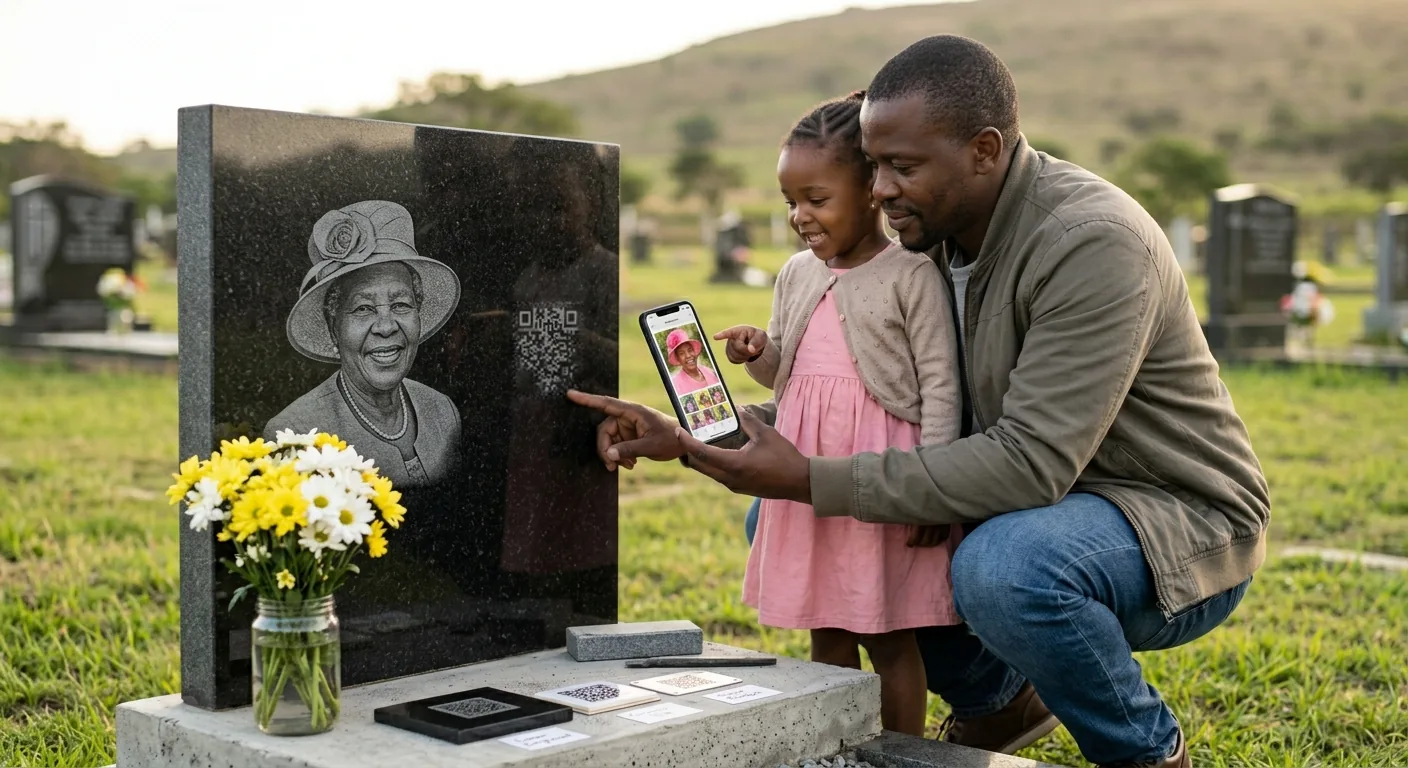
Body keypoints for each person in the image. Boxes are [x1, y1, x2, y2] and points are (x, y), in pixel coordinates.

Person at [568, 35, 1269, 768]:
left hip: (1166, 521)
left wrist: (812, 479)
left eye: (903, 168)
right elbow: (866, 408)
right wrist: (688, 435)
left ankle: (1146, 754)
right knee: (795, 519)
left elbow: (1030, 465)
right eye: (873, 167)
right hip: (1025, 499)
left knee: (1001, 567)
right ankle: (999, 707)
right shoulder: (922, 241)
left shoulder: (1091, 243)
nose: (878, 192)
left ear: (985, 150)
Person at [711, 91, 963, 736]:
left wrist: (932, 491)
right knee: (826, 626)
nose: (800, 216)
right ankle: (841, 746)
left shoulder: (910, 274)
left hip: (882, 477)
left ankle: (902, 751)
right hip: (807, 477)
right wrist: (758, 354)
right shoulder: (797, 273)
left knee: (889, 634)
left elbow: (941, 387)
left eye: (816, 200)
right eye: (791, 202)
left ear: (872, 191)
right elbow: (787, 373)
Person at [265, 200, 463, 489]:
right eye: (363, 309)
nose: (386, 327)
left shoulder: (442, 410)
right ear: (335, 329)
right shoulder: (295, 435)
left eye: (401, 304)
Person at [664, 327, 720, 395]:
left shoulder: (710, 372)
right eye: (681, 353)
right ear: (678, 358)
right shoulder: (675, 384)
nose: (688, 355)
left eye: (690, 350)